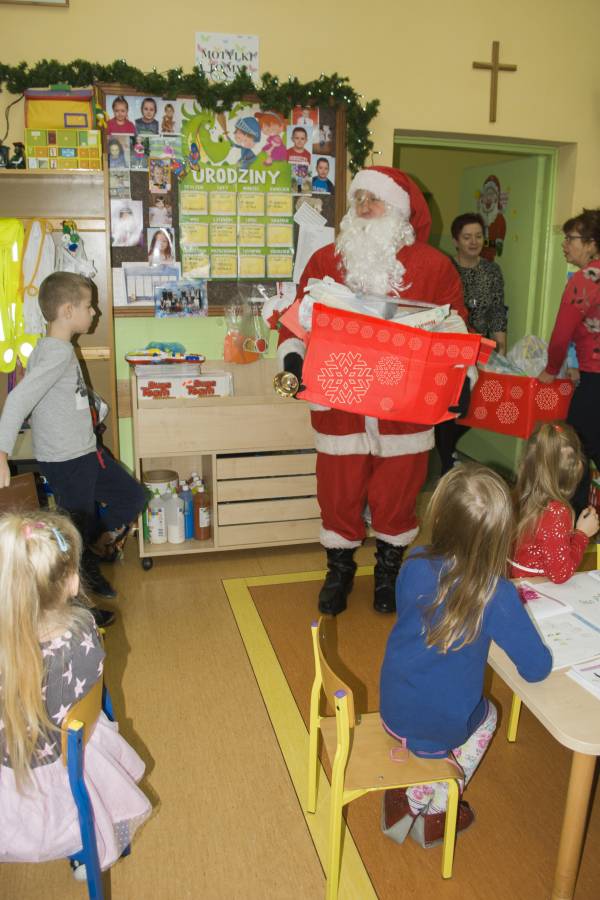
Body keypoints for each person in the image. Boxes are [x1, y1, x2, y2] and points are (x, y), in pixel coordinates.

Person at [276, 166, 469, 615]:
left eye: (374, 199)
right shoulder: (325, 261)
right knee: (337, 492)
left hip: (406, 411)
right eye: (358, 198)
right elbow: (298, 319)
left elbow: (456, 329)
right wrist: (292, 359)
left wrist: (462, 383)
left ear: (398, 212)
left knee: (397, 494)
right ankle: (339, 571)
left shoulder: (433, 267)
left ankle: (387, 573)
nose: (363, 206)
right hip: (338, 406)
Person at [380, 464, 552, 848]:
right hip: (439, 727)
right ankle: (436, 807)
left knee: (440, 702)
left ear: (440, 517)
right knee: (487, 717)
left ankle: (407, 798)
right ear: (501, 534)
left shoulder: (415, 563)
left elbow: (415, 619)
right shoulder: (497, 594)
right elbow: (536, 668)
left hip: (393, 708)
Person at [0, 510, 151, 876]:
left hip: (27, 790)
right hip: (82, 755)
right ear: (71, 582)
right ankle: (86, 849)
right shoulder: (85, 627)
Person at [0, 272, 147, 620]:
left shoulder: (55, 348)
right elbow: (18, 400)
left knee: (132, 496)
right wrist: (2, 452)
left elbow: (64, 395)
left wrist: (95, 406)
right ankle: (81, 609)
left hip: (86, 452)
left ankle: (90, 554)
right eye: (88, 306)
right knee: (73, 534)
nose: (94, 312)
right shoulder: (56, 353)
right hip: (67, 460)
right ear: (68, 311)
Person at [538, 208, 600, 515]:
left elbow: (561, 335)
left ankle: (574, 526)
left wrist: (551, 370)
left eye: (570, 238)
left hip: (595, 380)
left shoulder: (584, 279)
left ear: (591, 243)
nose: (565, 245)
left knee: (576, 452)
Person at [435, 212, 507, 475]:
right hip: (452, 346)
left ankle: (446, 451)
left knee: (477, 407)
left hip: (482, 347)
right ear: (456, 241)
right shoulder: (445, 267)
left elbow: (498, 309)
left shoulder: (492, 271)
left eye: (478, 236)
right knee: (452, 405)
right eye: (467, 237)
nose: (474, 242)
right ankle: (446, 461)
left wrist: (500, 343)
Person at [509, 422, 599, 583]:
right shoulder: (557, 512)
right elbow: (560, 573)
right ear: (577, 469)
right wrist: (582, 535)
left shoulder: (518, 495)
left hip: (513, 581)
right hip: (535, 587)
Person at [286, 126, 311, 193]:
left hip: (302, 182)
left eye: (302, 138)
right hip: (288, 181)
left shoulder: (308, 155)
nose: (299, 141)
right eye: (297, 138)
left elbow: (308, 171)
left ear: (306, 140)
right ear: (292, 139)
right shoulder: (287, 152)